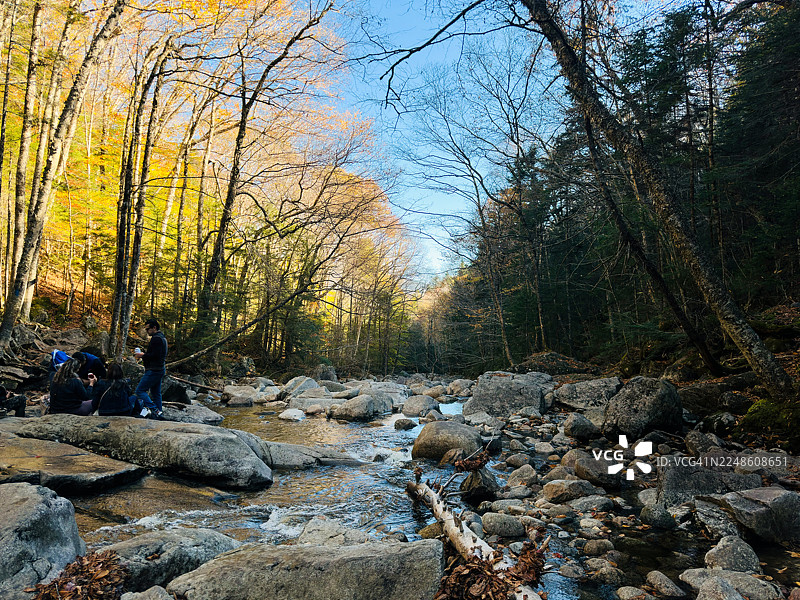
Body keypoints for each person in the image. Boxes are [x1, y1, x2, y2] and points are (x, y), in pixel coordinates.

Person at [134, 318, 168, 419]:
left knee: (140, 390)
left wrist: (142, 355)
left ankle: (155, 409)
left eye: (148, 329)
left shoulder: (156, 338)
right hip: (160, 369)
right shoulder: (162, 337)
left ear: (154, 327)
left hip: (154, 370)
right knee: (156, 393)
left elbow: (154, 355)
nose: (147, 331)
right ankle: (159, 413)